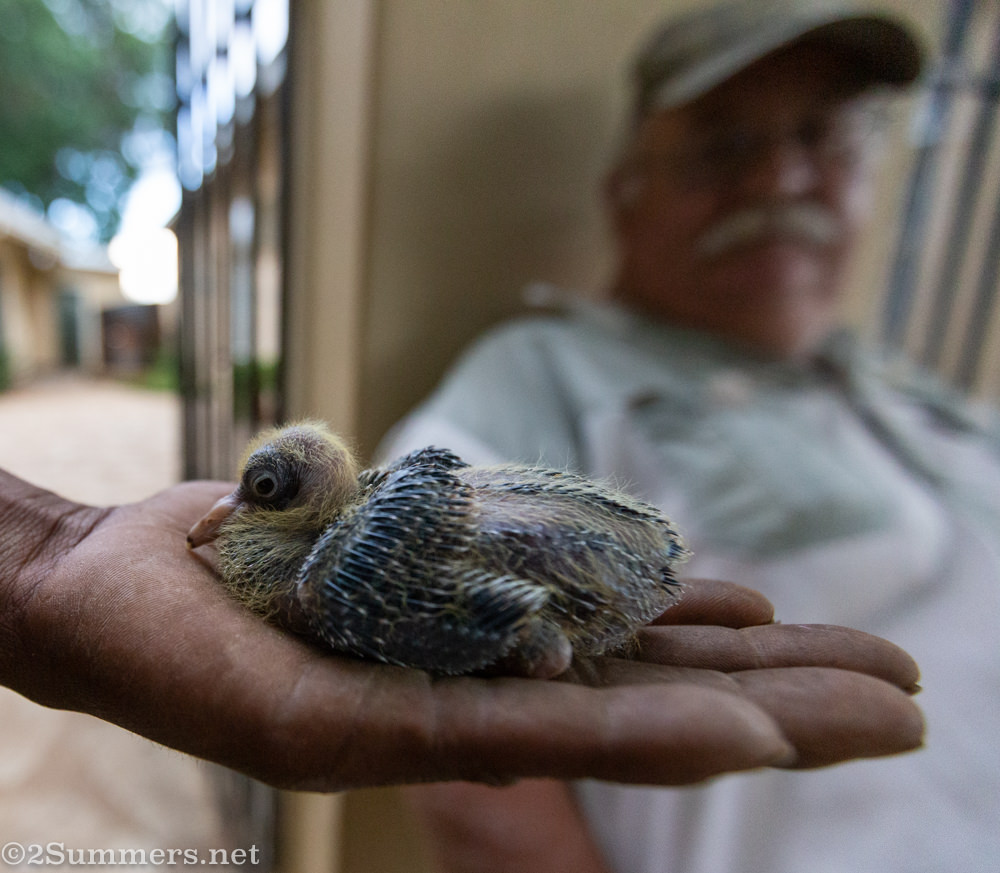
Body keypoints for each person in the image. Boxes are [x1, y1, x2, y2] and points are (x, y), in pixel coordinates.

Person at [378, 2, 1000, 871]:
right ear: (626, 194)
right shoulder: (551, 368)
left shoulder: (916, 393)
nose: (782, 181)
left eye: (821, 138)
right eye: (724, 147)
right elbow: (425, 630)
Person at [0, 465, 924, 793]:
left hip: (589, 582)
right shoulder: (356, 510)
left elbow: (512, 612)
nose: (229, 514)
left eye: (261, 494)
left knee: (347, 595)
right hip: (617, 556)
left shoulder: (328, 580)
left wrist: (521, 637)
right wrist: (47, 556)